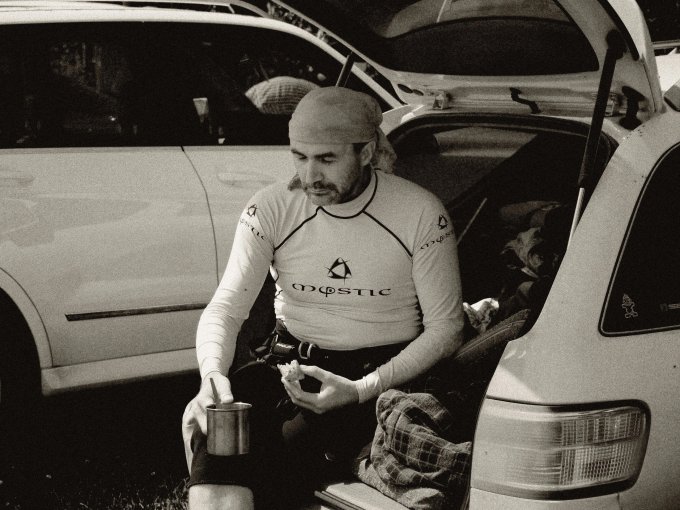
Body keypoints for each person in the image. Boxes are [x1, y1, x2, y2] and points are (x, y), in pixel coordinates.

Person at [182, 86, 465, 509]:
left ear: (366, 152)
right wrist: (211, 376)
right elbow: (226, 308)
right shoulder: (271, 207)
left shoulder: (419, 211)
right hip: (288, 369)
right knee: (215, 446)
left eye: (327, 159)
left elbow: (447, 327)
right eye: (299, 156)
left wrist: (361, 388)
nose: (310, 175)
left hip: (379, 378)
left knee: (282, 472)